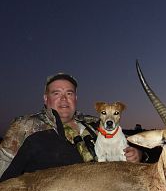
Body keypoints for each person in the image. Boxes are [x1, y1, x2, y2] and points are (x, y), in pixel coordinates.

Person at [0, 73, 143, 181]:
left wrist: (138, 154)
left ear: (75, 98)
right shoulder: (24, 126)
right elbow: (4, 168)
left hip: (109, 182)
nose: (64, 98)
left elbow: (130, 146)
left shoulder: (95, 123)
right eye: (56, 93)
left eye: (69, 93)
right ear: (45, 99)